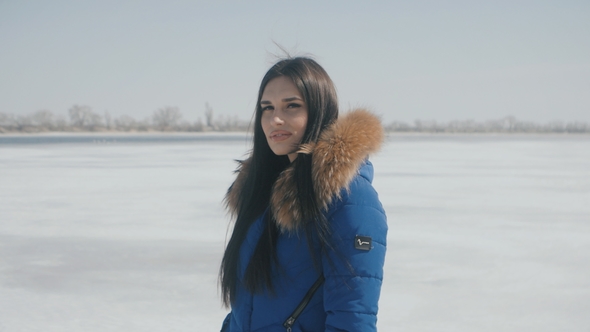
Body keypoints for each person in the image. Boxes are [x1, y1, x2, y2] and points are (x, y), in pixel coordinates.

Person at [219, 56, 387, 331]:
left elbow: (352, 319)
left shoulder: (349, 199)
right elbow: (244, 308)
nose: (275, 119)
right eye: (267, 107)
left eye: (292, 106)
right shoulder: (263, 189)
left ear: (320, 109)